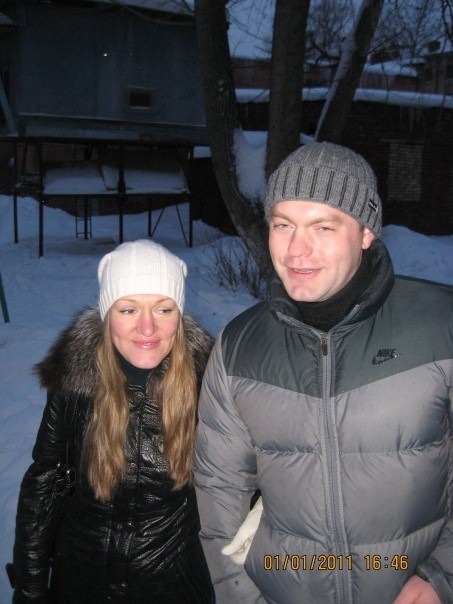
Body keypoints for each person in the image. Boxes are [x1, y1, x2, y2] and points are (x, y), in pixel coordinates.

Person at [193, 142, 453, 604]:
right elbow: (220, 493)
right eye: (283, 225)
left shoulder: (440, 326)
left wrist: (441, 576)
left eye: (323, 226)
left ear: (366, 232)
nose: (297, 250)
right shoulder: (239, 347)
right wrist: (243, 597)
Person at [10, 239, 215, 603]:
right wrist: (30, 587)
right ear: (108, 315)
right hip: (80, 584)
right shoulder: (75, 381)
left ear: (179, 315)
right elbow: (45, 484)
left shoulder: (211, 385)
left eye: (163, 309)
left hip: (174, 587)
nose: (147, 328)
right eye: (129, 309)